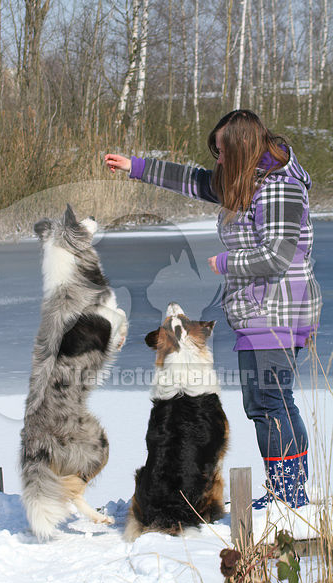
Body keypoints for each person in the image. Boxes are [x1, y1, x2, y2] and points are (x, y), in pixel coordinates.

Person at [104, 109, 322, 509]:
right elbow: (195, 180)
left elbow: (276, 256)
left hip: (278, 312)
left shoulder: (279, 189)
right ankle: (288, 492)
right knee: (268, 402)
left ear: (241, 149)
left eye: (221, 152)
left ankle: (289, 495)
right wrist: (136, 166)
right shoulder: (246, 182)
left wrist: (225, 263)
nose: (217, 160)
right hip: (259, 310)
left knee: (270, 402)